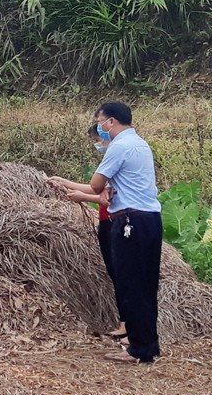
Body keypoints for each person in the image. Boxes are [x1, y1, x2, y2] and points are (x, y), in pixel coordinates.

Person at [54, 102, 161, 363]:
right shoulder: (140, 144)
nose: (100, 127)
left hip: (129, 223)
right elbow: (106, 188)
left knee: (130, 284)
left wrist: (95, 191)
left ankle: (139, 349)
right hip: (150, 220)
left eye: (100, 121)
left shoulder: (119, 147)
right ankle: (148, 345)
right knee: (145, 285)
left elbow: (95, 184)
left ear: (111, 121)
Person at [47, 123, 126, 341]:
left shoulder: (118, 157)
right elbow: (98, 190)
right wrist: (63, 182)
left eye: (97, 141)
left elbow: (106, 195)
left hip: (115, 219)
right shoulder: (115, 156)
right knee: (115, 273)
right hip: (106, 219)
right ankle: (124, 323)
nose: (97, 146)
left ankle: (129, 326)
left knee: (122, 273)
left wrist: (83, 197)